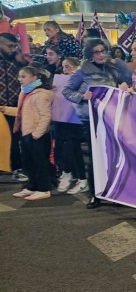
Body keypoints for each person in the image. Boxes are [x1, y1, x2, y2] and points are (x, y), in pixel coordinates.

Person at [63, 38, 133, 208]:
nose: (101, 54)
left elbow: (127, 77)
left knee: (113, 155)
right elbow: (67, 90)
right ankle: (95, 194)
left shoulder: (111, 67)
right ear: (89, 54)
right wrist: (81, 97)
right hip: (91, 120)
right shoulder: (82, 71)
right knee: (95, 157)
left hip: (110, 118)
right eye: (97, 52)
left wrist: (117, 62)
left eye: (103, 51)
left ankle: (113, 193)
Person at [9, 66, 53, 201]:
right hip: (26, 132)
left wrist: (36, 134)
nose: (19, 79)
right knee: (28, 162)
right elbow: (23, 112)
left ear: (34, 78)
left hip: (35, 135)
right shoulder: (26, 93)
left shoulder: (40, 95)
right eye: (19, 77)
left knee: (40, 162)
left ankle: (44, 188)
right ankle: (31, 186)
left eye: (23, 77)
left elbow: (46, 116)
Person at [53, 58, 85, 192]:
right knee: (62, 148)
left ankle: (80, 178)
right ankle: (71, 174)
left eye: (68, 67)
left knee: (72, 149)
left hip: (75, 121)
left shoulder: (82, 81)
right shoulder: (61, 81)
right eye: (63, 67)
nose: (65, 70)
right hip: (62, 120)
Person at [0, 33, 26, 178]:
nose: (13, 49)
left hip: (16, 106)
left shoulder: (17, 60)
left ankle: (17, 167)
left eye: (15, 46)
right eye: (10, 46)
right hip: (0, 107)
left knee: (15, 138)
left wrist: (23, 63)